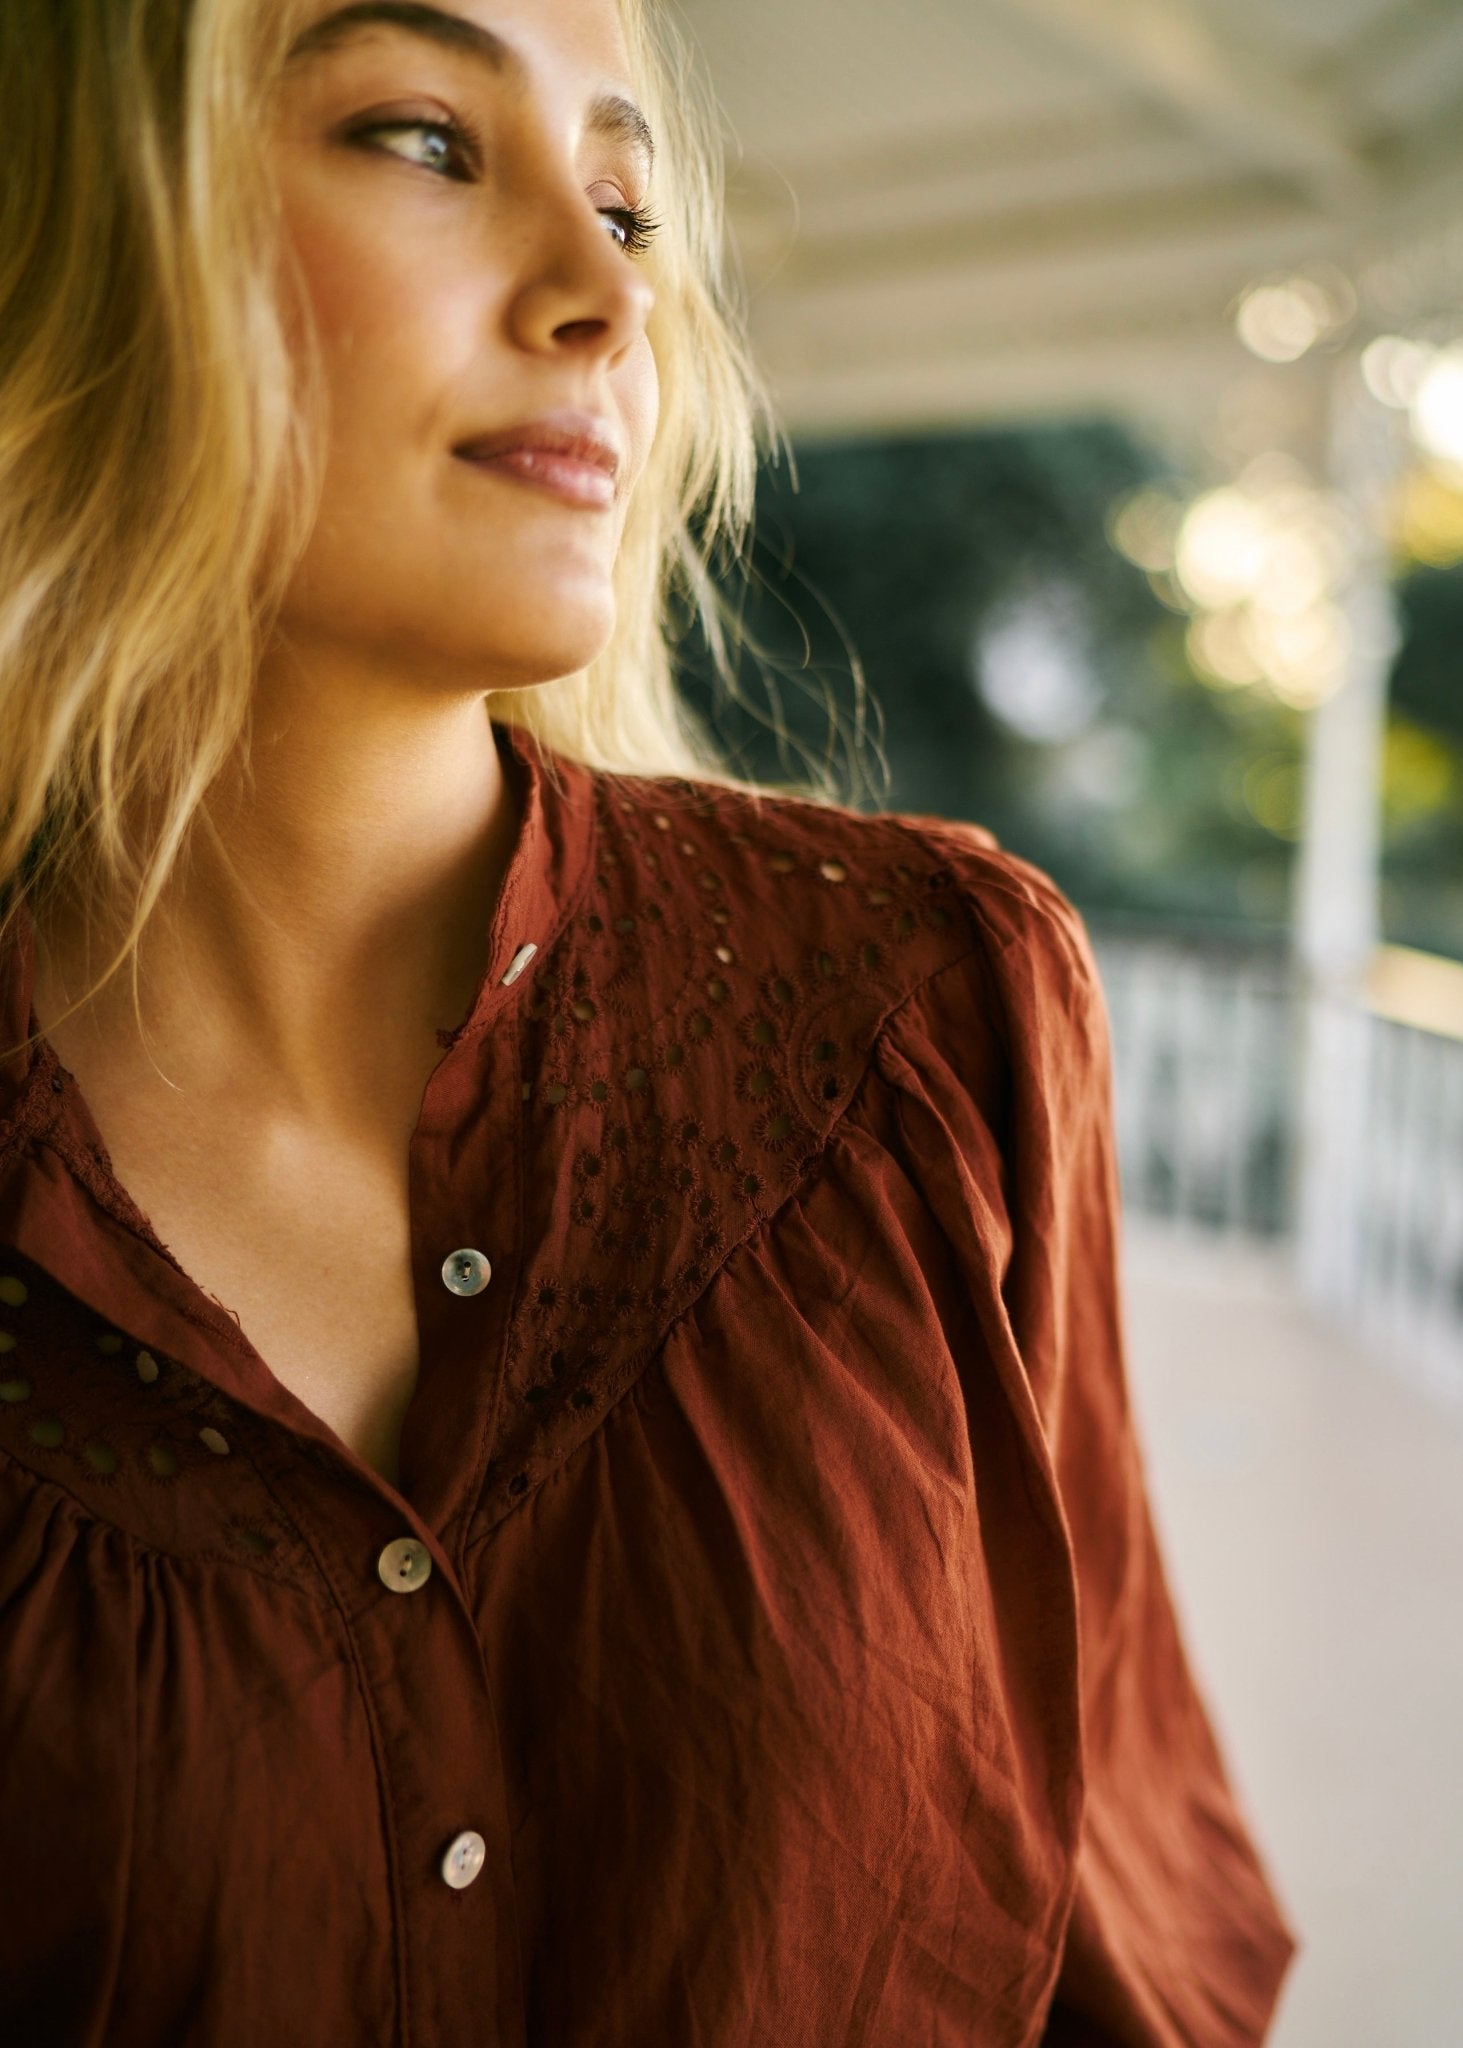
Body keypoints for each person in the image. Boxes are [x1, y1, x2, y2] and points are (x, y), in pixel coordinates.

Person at [0, 1, 1298, 2041]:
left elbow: (1123, 1941)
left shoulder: (931, 1005)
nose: (610, 290)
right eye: (424, 138)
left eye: (628, 196)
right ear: (73, 221)